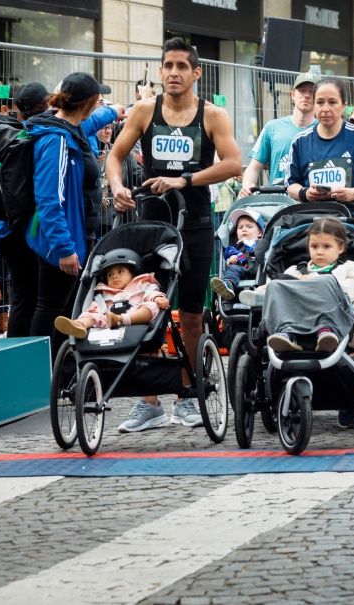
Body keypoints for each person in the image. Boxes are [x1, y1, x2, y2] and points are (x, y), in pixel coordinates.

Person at [108, 38, 243, 433]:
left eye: (182, 66)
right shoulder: (144, 110)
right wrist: (117, 187)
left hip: (195, 222)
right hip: (152, 225)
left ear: (196, 73)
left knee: (192, 315)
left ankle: (188, 394)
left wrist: (184, 179)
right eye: (168, 65)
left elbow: (234, 164)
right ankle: (148, 402)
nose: (173, 73)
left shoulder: (213, 115)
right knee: (144, 307)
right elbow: (115, 156)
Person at [27, 74, 110, 344]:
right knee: (50, 309)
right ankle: (41, 369)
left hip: (70, 237)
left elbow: (91, 122)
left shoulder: (69, 127)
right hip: (62, 242)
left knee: (63, 310)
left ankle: (60, 365)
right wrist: (64, 248)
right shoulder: (57, 139)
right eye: (98, 103)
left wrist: (116, 112)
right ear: (87, 105)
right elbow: (50, 198)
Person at [242, 216, 354, 355]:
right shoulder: (296, 270)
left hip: (333, 318)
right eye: (314, 246)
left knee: (327, 281)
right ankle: (286, 332)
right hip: (297, 318)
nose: (319, 252)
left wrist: (315, 280)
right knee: (275, 285)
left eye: (326, 246)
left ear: (340, 248)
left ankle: (325, 330)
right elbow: (280, 288)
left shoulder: (349, 267)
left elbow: (353, 290)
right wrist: (263, 290)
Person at [0, 83, 52, 337]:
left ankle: (18, 352)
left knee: (22, 298)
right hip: (26, 229)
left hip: (5, 228)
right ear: (46, 104)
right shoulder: (38, 136)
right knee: (33, 299)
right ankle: (31, 353)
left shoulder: (8, 136)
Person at [285, 78, 354, 209]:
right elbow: (290, 184)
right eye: (320, 102)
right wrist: (305, 193)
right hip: (311, 217)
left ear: (344, 105)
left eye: (332, 102)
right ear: (314, 105)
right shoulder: (300, 141)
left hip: (352, 216)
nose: (325, 109)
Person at [55, 247, 169, 338]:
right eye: (110, 274)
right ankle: (79, 325)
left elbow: (151, 292)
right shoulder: (104, 294)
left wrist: (157, 298)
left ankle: (121, 320)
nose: (115, 276)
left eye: (120, 271)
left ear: (133, 273)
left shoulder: (141, 284)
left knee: (152, 306)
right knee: (91, 314)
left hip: (136, 318)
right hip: (108, 321)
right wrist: (92, 314)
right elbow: (97, 310)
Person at [240, 72, 317, 195]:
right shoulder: (272, 127)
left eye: (311, 92)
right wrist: (247, 186)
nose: (307, 95)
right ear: (293, 95)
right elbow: (254, 168)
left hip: (310, 201)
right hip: (278, 201)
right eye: (302, 90)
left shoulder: (323, 130)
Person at [209, 208, 265, 302]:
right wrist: (231, 261)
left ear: (259, 233)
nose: (244, 229)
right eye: (240, 227)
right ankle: (228, 286)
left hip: (258, 270)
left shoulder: (261, 243)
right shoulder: (235, 248)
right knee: (232, 269)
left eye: (249, 227)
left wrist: (250, 245)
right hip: (241, 271)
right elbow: (232, 263)